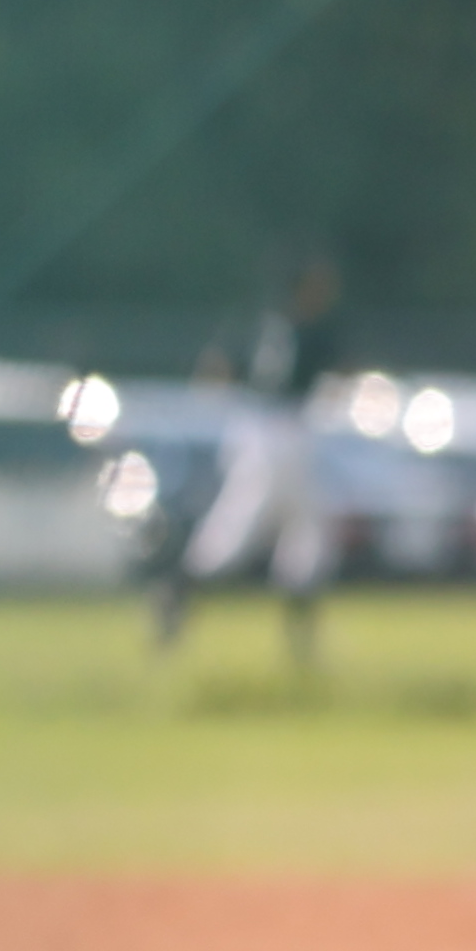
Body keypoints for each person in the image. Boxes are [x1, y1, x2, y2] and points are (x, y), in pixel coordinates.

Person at [153, 250, 339, 662]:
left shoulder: (257, 321)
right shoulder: (307, 329)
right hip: (281, 432)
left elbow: (215, 369)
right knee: (243, 534)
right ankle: (177, 590)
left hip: (259, 431)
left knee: (303, 537)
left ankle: (301, 646)